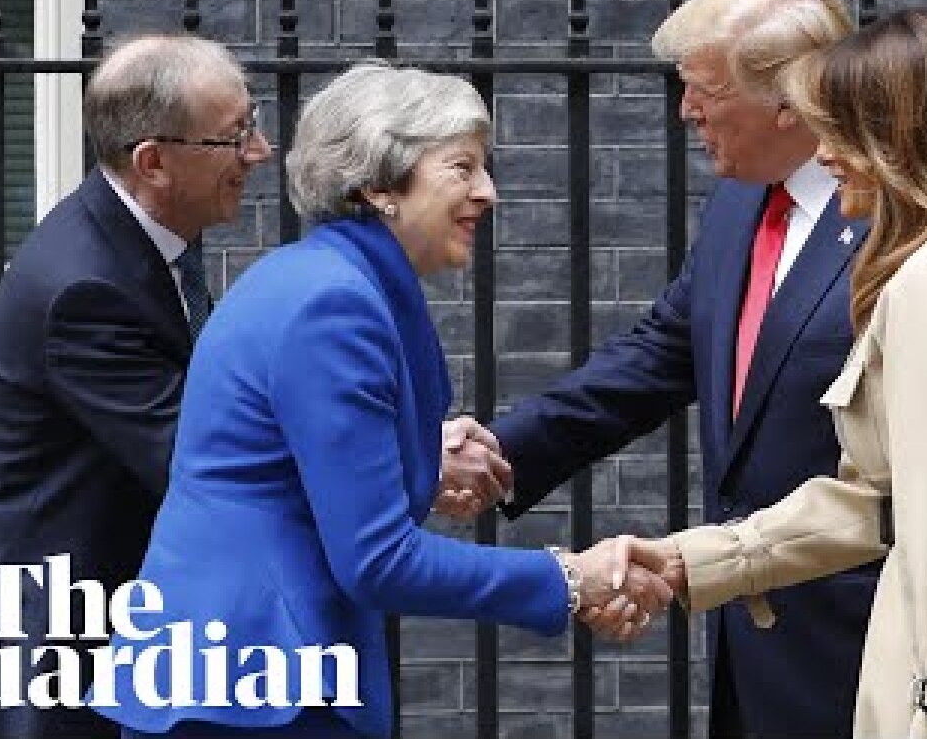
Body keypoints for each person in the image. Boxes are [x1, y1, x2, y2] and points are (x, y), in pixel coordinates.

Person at [91, 62, 672, 739]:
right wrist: (568, 578)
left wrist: (423, 453)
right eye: (461, 167)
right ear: (376, 185)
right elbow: (378, 559)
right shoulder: (334, 304)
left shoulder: (324, 278)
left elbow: (295, 472)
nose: (488, 193)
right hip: (256, 688)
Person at [603, 8, 927, 739]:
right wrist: (692, 561)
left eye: (840, 132)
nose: (823, 155)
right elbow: (882, 503)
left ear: (900, 137)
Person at [441, 0, 872, 738]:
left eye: (706, 89)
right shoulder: (742, 200)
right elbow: (658, 357)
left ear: (790, 99)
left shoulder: (895, 222)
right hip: (749, 635)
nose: (686, 111)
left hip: (862, 635)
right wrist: (501, 449)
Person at [0, 34, 273, 739]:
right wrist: (387, 459)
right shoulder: (85, 288)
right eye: (233, 136)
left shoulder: (149, 237)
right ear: (154, 162)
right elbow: (199, 460)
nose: (260, 151)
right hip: (46, 663)